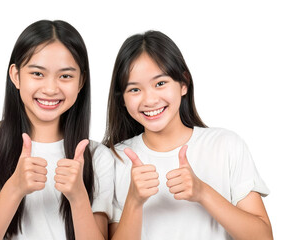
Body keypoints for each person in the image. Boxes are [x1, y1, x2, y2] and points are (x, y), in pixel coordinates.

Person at [104, 30, 273, 240]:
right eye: (134, 90)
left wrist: (202, 192)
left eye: (160, 83)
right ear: (122, 99)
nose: (149, 100)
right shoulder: (112, 159)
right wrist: (134, 201)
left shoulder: (225, 145)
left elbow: (263, 237)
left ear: (183, 83)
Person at [0, 20, 113, 240]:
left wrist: (78, 197)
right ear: (16, 75)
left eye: (66, 76)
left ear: (81, 82)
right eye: (37, 74)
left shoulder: (98, 157)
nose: (50, 88)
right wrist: (15, 187)